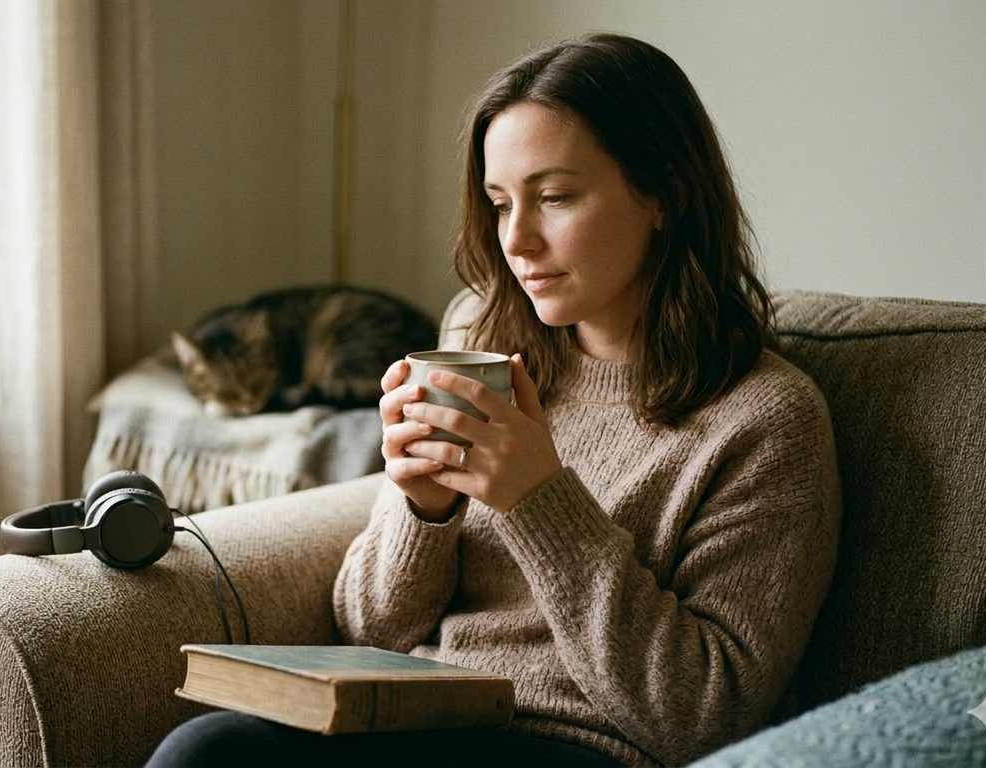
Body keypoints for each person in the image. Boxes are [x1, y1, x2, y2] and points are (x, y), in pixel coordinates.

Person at [146, 32, 840, 768]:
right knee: (208, 750)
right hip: (423, 717)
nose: (517, 240)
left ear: (664, 195)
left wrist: (540, 500)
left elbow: (705, 716)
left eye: (554, 198)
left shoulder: (766, 421)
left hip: (589, 748)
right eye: (500, 202)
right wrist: (421, 508)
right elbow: (370, 632)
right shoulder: (496, 361)